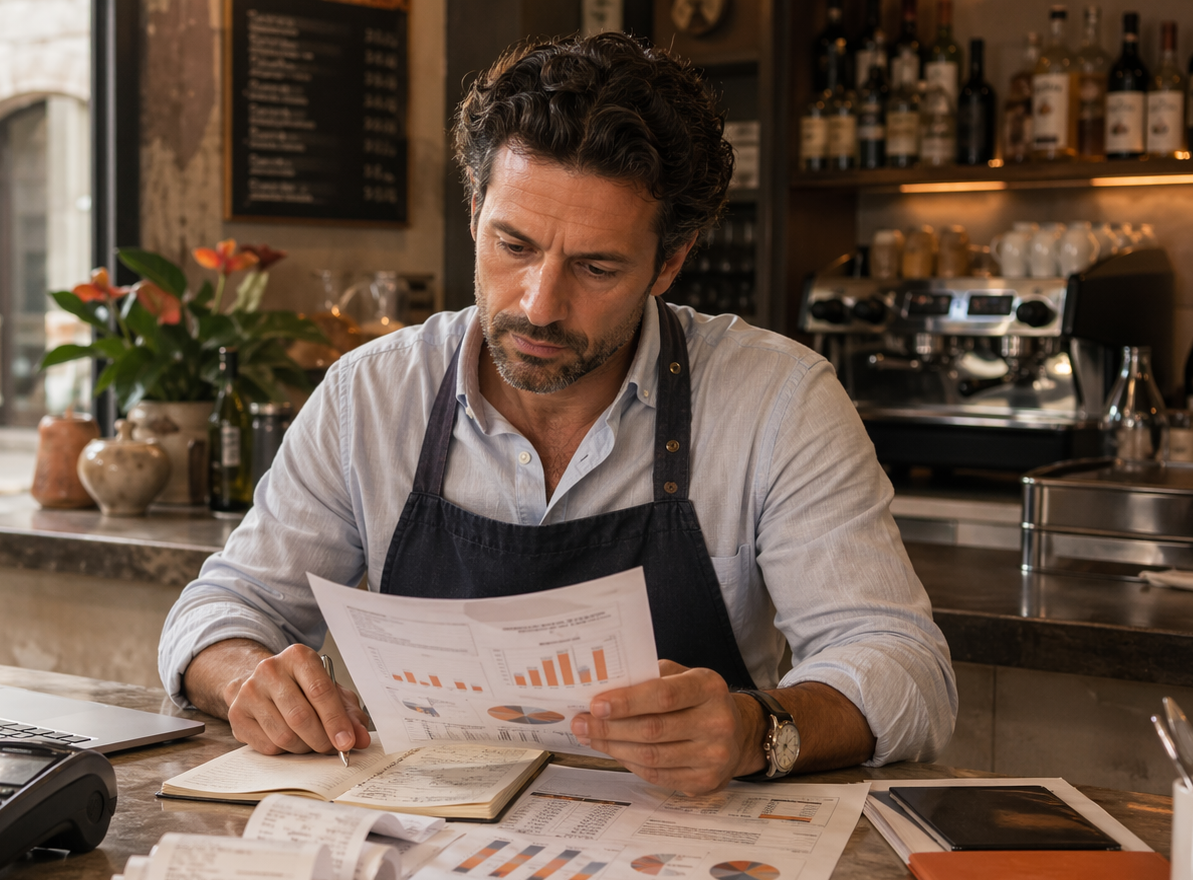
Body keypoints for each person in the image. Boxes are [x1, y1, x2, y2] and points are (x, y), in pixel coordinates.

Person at [161, 32, 955, 795]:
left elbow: (902, 664)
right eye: (513, 245)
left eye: (596, 265)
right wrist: (247, 679)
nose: (540, 305)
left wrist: (757, 731)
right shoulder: (370, 396)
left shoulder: (778, 402)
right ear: (475, 209)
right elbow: (221, 610)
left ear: (669, 262)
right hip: (420, 851)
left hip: (675, 867)